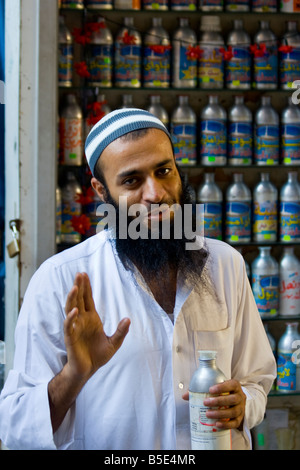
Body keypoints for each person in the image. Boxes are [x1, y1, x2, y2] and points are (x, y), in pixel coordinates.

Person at [0, 108, 276, 450]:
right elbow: (15, 428)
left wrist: (243, 404)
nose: (155, 193)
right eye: (132, 180)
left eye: (164, 171)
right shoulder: (60, 280)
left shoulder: (225, 264)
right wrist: (74, 375)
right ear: (102, 191)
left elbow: (257, 381)